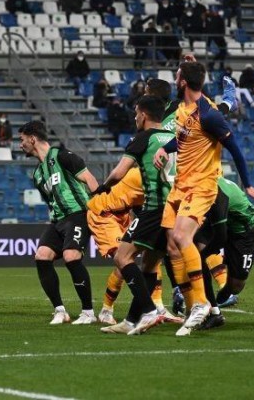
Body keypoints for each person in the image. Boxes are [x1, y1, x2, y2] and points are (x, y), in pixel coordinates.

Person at [152, 61, 254, 335]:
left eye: (177, 75)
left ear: (182, 83)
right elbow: (183, 138)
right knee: (173, 240)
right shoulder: (182, 111)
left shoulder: (209, 115)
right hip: (182, 184)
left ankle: (202, 304)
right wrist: (166, 149)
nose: (175, 78)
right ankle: (201, 304)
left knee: (183, 239)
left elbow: (235, 148)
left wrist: (248, 185)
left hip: (201, 185)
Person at [93, 95, 177, 334]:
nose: (134, 117)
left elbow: (119, 173)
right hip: (173, 209)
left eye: (136, 113)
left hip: (153, 209)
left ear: (144, 114)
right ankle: (131, 321)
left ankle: (150, 311)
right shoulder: (174, 138)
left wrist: (103, 188)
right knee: (150, 266)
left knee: (122, 258)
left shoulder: (143, 138)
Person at [19, 120, 99, 325]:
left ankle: (88, 312)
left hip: (78, 214)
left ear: (32, 138)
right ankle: (60, 310)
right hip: (58, 220)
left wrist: (99, 210)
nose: (20, 145)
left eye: (22, 140)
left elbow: (91, 181)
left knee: (71, 257)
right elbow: (50, 201)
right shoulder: (37, 175)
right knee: (41, 256)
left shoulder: (63, 156)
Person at [214, 177, 254, 308]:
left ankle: (223, 296)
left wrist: (213, 247)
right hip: (226, 223)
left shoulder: (218, 189)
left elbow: (220, 235)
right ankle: (200, 300)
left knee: (236, 285)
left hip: (244, 229)